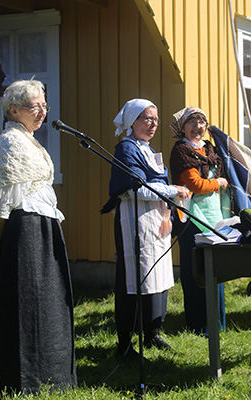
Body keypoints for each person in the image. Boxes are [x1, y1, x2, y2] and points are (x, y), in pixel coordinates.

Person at [0, 79, 77, 394]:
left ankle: (52, 376)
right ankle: (25, 380)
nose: (41, 112)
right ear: (14, 109)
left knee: (49, 303)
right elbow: (5, 197)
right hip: (24, 230)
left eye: (44, 106)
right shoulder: (10, 142)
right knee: (26, 304)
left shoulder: (29, 140)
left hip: (44, 226)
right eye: (34, 106)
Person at [101, 98, 190, 360]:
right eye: (147, 118)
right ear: (132, 121)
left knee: (157, 275)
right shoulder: (126, 148)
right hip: (135, 220)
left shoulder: (147, 149)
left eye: (156, 119)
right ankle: (125, 343)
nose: (153, 124)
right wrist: (173, 190)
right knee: (135, 279)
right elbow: (134, 187)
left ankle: (152, 332)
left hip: (156, 221)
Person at [169, 107, 228, 334]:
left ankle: (217, 322)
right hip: (191, 217)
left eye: (202, 122)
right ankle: (199, 324)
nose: (198, 127)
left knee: (217, 267)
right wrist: (219, 183)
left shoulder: (210, 149)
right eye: (192, 122)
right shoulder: (181, 151)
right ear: (182, 127)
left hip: (214, 217)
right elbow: (196, 185)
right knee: (196, 270)